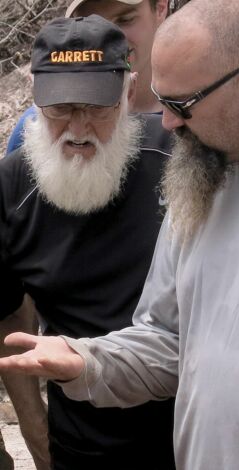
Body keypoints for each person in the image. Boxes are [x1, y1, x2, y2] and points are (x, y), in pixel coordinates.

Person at [2, 0, 239, 469]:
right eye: (62, 108)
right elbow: (168, 338)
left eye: (181, 105)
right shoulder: (205, 168)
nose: (166, 123)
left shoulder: (197, 159)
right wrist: (85, 362)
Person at [0, 14, 175, 470]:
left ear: (129, 92)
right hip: (80, 445)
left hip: (187, 438)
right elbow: (7, 317)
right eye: (60, 108)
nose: (78, 128)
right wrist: (37, 436)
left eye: (97, 107)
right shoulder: (12, 187)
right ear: (36, 103)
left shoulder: (179, 158)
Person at [5, 0, 168, 154]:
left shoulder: (188, 121)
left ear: (160, 8)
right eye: (91, 22)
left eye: (125, 19)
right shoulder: (32, 133)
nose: (108, 38)